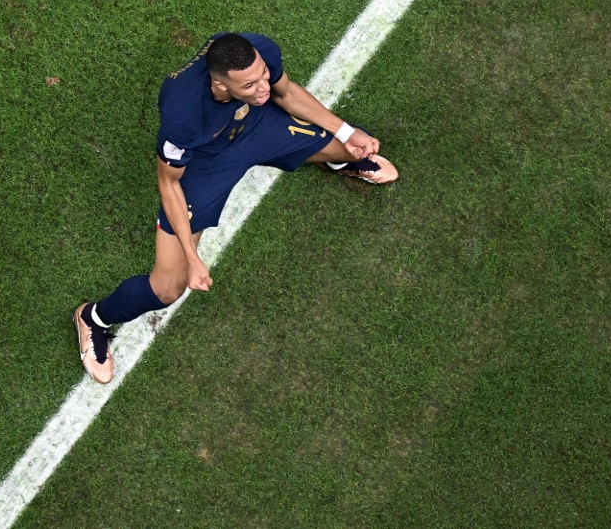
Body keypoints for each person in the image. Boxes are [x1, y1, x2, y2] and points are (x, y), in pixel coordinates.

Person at [73, 32, 398, 383]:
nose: (263, 88)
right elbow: (169, 184)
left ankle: (334, 160)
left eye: (262, 76)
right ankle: (94, 319)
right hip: (207, 164)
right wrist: (193, 257)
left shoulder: (256, 52)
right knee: (168, 287)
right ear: (221, 85)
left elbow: (285, 93)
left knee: (350, 146)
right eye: (250, 85)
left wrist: (347, 132)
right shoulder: (184, 115)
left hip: (255, 126)